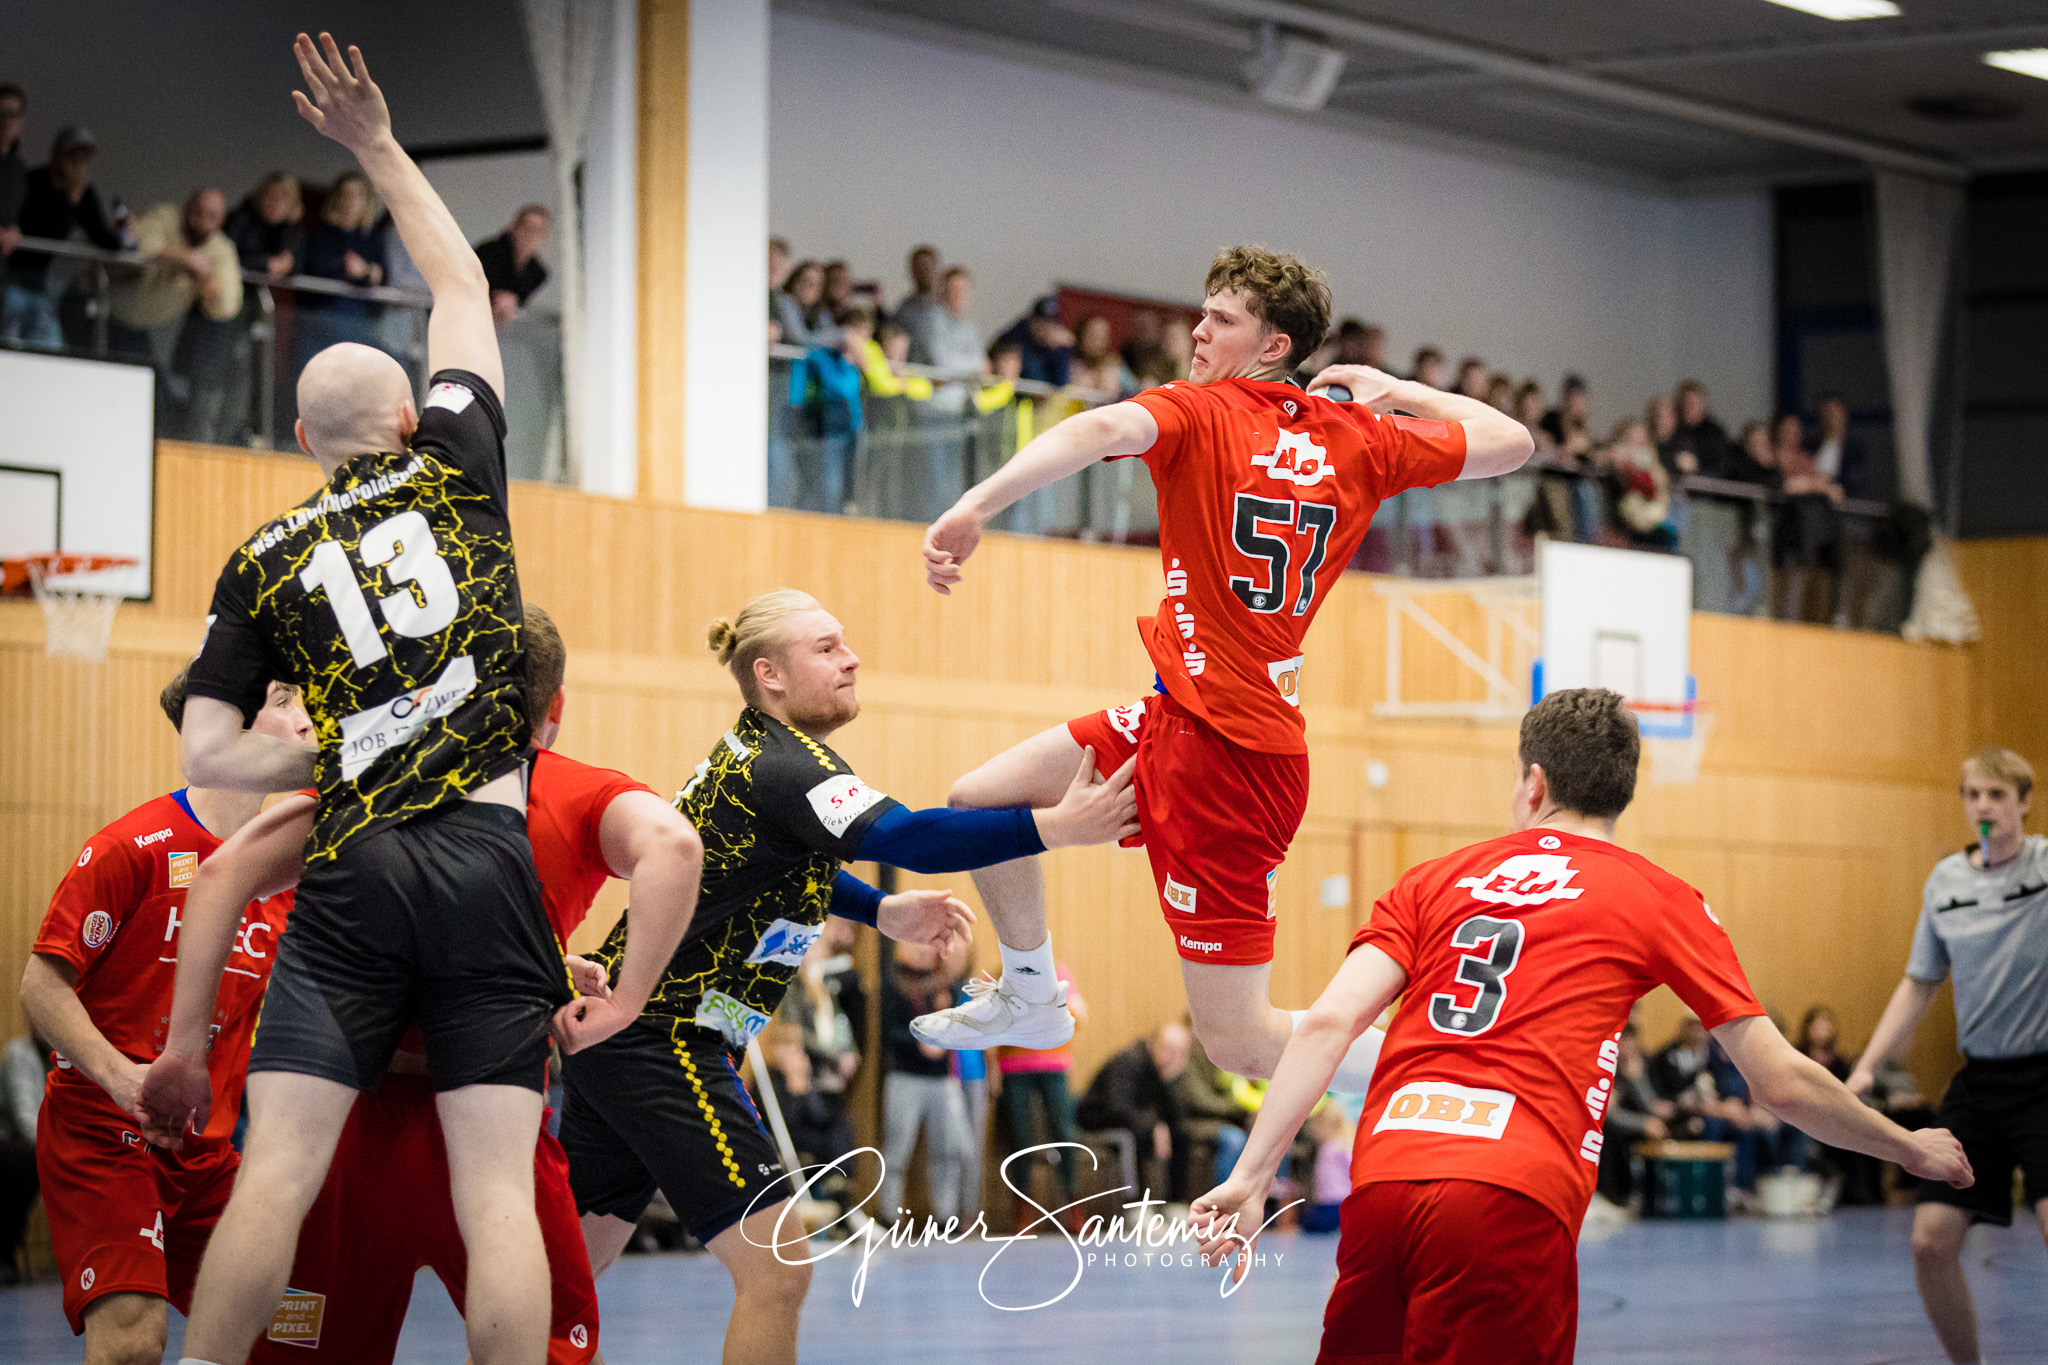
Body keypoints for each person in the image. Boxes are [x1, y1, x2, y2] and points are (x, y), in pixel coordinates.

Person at [133, 36, 567, 1365]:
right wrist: (376, 143)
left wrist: (336, 738)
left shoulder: (264, 559)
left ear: (301, 446)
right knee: (496, 1190)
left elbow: (208, 751)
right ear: (403, 421)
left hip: (355, 856)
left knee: (279, 1167)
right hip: (490, 855)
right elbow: (459, 282)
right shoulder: (457, 460)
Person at [1191, 687, 1971, 1364]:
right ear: (1621, 792)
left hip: (1386, 1184)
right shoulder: (1658, 895)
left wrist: (1253, 1175)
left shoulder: (1435, 878)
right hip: (1508, 1199)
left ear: (1535, 781)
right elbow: (1780, 1081)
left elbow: (1328, 1019)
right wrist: (1907, 1145)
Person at [910, 245, 1532, 1087]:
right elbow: (1511, 440)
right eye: (1202, 312)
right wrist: (1402, 391)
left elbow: (1098, 429)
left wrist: (974, 504)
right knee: (979, 800)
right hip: (1181, 716)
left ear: (1274, 345)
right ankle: (1030, 990)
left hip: (1234, 759)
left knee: (1237, 1042)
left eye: (1223, 319)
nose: (1198, 331)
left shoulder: (1198, 413)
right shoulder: (1361, 436)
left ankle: (1460, 1076)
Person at [558, 588, 1133, 1365]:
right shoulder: (790, 767)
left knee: (570, 1272)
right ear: (770, 673)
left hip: (632, 1039)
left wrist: (881, 909)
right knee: (777, 1270)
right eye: (826, 647)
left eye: (844, 642)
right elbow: (913, 835)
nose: (850, 657)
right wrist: (1051, 825)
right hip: (664, 1038)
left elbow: (786, 865)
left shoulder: (755, 757)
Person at [179, 606, 701, 1365]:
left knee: (304, 1335)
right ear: (553, 709)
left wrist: (183, 1049)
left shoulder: (379, 778)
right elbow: (675, 846)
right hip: (495, 1113)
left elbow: (224, 873)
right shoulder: (578, 794)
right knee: (543, 1321)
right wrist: (626, 1000)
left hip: (354, 1119)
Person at [17, 669, 310, 1364]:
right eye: (284, 702)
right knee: (132, 1338)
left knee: (299, 1328)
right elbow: (40, 985)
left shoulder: (295, 874)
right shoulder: (134, 848)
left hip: (206, 1157)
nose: (306, 721)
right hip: (103, 1131)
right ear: (229, 731)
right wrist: (126, 1081)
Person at [1847, 745, 2048, 1365]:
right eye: (1972, 795)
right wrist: (1867, 1066)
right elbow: (1920, 982)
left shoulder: (2045, 867)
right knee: (1930, 1243)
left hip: (2043, 1079)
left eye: (1996, 795)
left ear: (2024, 802)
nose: (1983, 807)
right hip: (1980, 1084)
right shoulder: (1945, 882)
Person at [878, 943, 974, 1224]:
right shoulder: (895, 981)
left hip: (941, 1080)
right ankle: (889, 1217)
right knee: (896, 1152)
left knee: (947, 1152)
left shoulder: (946, 984)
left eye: (928, 946)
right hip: (905, 1076)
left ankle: (945, 1218)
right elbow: (889, 1031)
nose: (923, 952)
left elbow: (958, 1021)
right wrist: (918, 1041)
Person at [6, 125, 125, 350]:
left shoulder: (83, 193)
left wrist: (122, 231)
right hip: (14, 278)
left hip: (44, 285)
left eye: (84, 157)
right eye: (72, 155)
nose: (77, 163)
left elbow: (102, 237)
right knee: (9, 336)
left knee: (48, 343)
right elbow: (36, 226)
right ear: (58, 153)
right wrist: (68, 203)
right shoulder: (32, 181)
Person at [998, 962, 1086, 1211]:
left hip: (1054, 1064)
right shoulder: (1004, 974)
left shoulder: (1059, 975)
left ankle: (1073, 1205)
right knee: (1019, 1138)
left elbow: (1079, 1015)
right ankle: (1022, 1210)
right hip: (1014, 1066)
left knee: (1064, 1134)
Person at [1078, 1023, 1193, 1202]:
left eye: (1181, 1053)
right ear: (1156, 1044)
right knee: (1135, 1135)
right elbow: (1117, 1108)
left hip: (1131, 1121)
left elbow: (1174, 1114)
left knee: (1181, 1133)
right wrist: (1153, 1125)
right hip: (1098, 1122)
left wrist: (1169, 1081)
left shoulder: (1158, 1069)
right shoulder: (1128, 1061)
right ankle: (1136, 1206)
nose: (1175, 1057)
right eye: (1170, 1049)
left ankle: (1175, 1202)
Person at [293, 168, 386, 378]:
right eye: (345, 194)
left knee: (352, 382)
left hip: (358, 322)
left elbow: (380, 278)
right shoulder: (318, 233)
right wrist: (344, 267)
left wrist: (366, 272)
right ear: (336, 198)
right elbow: (312, 271)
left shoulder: (372, 238)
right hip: (318, 318)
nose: (351, 201)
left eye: (357, 195)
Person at [476, 204, 551, 326]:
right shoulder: (488, 252)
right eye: (527, 227)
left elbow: (517, 305)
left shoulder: (538, 274)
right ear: (515, 228)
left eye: (537, 230)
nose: (530, 235)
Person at [0, 85, 26, 274]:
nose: (6, 122)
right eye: (1, 114)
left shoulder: (18, 169)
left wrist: (15, 230)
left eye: (12, 115)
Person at [892, 243, 942, 338]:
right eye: (919, 268)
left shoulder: (945, 309)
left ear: (936, 270)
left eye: (926, 268)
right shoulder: (904, 309)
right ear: (912, 271)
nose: (923, 274)